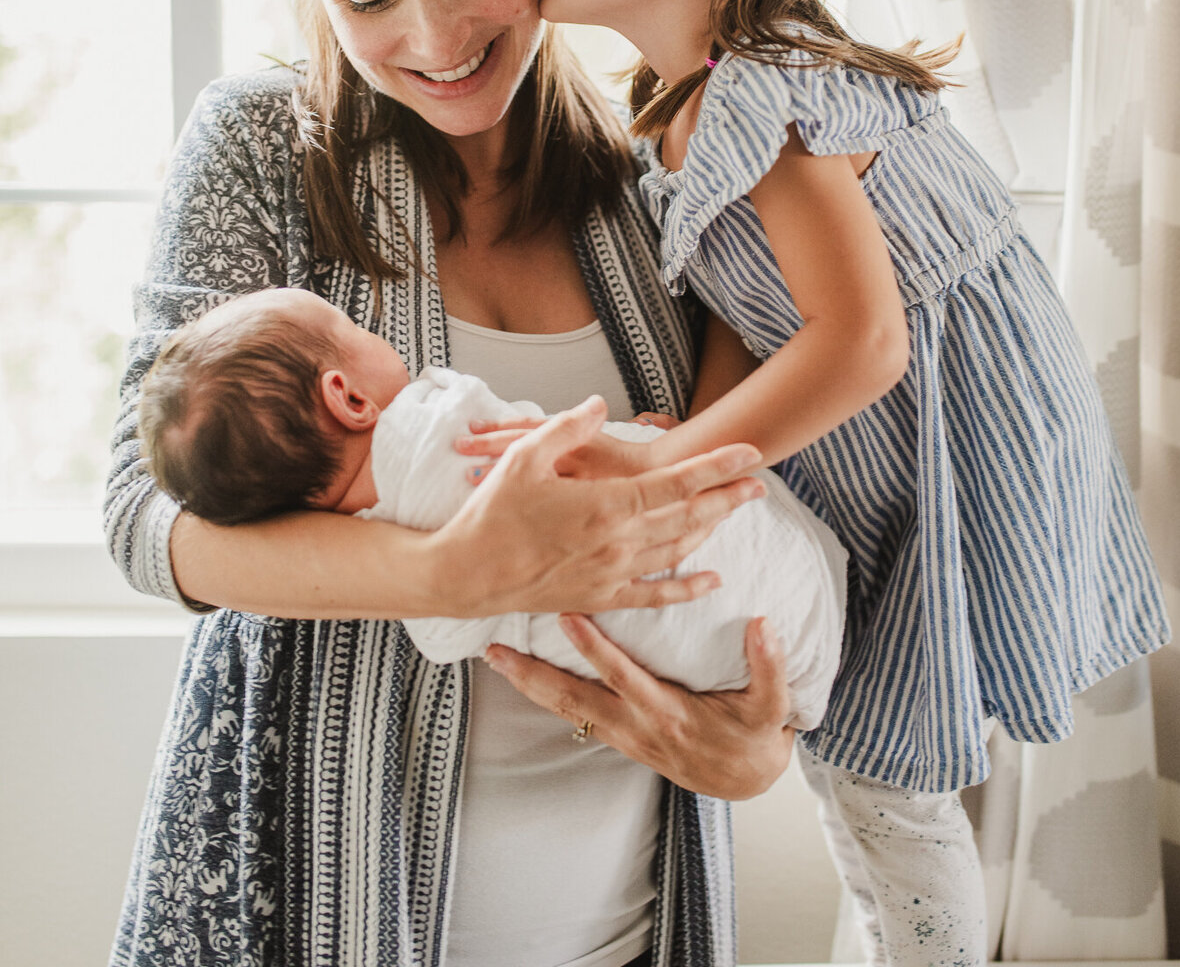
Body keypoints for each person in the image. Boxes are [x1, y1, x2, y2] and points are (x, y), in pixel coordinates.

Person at [94, 0, 797, 967]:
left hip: (625, 943)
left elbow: (749, 505)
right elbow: (142, 515)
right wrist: (451, 577)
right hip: (318, 961)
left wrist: (753, 751)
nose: (433, 30)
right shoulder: (260, 147)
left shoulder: (662, 170)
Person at [490, 0, 1171, 967]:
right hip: (896, 450)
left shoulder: (782, 102)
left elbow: (861, 342)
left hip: (951, 451)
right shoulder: (694, 96)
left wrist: (673, 467)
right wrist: (690, 443)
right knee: (858, 720)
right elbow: (760, 312)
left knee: (876, 755)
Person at [137, 285, 847, 723]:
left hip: (723, 668)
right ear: (348, 397)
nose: (376, 335)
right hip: (772, 561)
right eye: (356, 332)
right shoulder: (431, 417)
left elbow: (452, 639)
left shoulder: (373, 562)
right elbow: (556, 443)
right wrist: (640, 440)